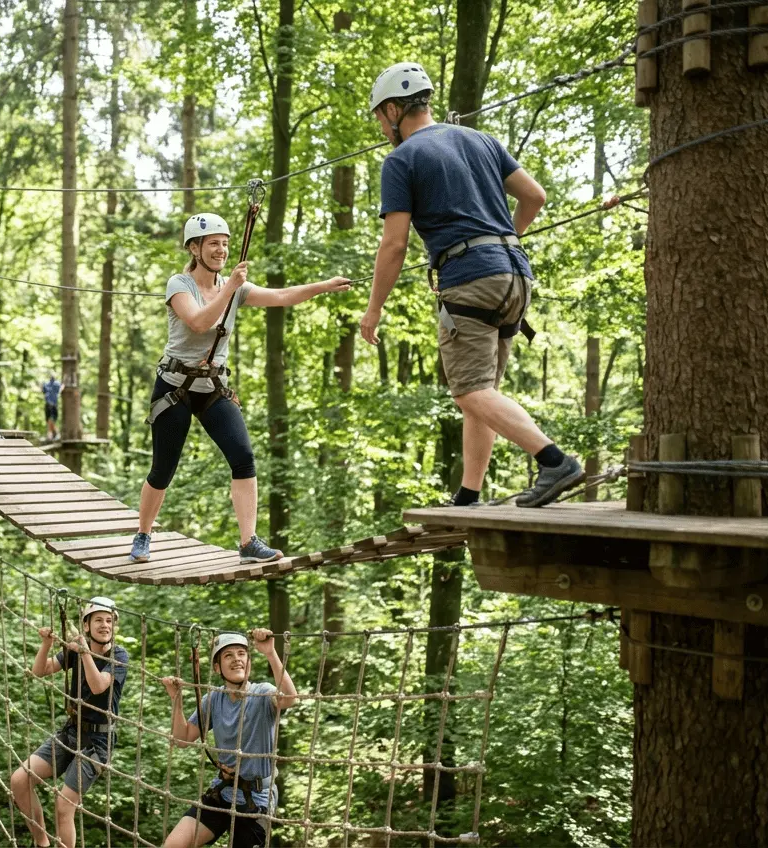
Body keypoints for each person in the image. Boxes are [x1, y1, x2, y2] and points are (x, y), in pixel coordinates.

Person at [359, 61, 585, 508]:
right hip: (516, 275)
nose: (383, 128)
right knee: (481, 392)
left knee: (468, 390)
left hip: (470, 279)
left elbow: (394, 244)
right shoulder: (482, 140)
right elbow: (534, 196)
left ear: (391, 110)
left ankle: (555, 461)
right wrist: (507, 239)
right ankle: (469, 493)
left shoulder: (401, 159)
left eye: (381, 119)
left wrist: (374, 309)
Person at [129, 214, 350, 564]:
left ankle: (248, 541)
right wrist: (229, 288)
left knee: (244, 458)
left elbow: (281, 296)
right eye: (213, 243)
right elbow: (201, 323)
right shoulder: (179, 285)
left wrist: (322, 286)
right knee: (163, 469)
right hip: (175, 386)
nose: (222, 250)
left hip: (213, 386)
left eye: (225, 243)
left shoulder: (235, 287)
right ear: (194, 248)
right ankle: (143, 533)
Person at [160, 629, 297, 848]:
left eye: (242, 654)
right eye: (228, 655)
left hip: (257, 798)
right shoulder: (213, 699)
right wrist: (176, 699)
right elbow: (183, 739)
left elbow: (290, 698)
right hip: (223, 791)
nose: (237, 660)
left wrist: (270, 653)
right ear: (217, 668)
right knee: (173, 845)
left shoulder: (263, 694)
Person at [11, 597, 128, 848]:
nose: (105, 625)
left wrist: (83, 652)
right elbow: (40, 671)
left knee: (64, 806)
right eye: (98, 620)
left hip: (98, 741)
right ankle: (41, 843)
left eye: (109, 621)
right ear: (86, 626)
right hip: (72, 730)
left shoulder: (118, 656)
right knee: (20, 780)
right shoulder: (76, 651)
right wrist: (46, 644)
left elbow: (98, 686)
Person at [42, 374, 62, 442]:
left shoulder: (47, 384)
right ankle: (53, 434)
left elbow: (43, 391)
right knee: (50, 420)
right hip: (52, 405)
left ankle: (50, 435)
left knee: (50, 420)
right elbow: (60, 390)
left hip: (49, 405)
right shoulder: (57, 384)